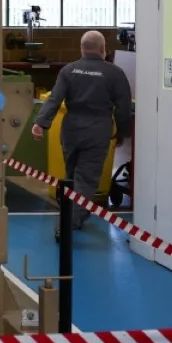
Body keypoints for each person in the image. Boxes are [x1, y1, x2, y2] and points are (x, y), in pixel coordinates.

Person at [32, 31, 132, 230]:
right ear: (103, 49)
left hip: (70, 130)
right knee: (85, 181)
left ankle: (73, 216)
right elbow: (123, 107)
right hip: (97, 130)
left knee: (72, 177)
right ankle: (67, 225)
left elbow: (54, 99)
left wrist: (40, 123)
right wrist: (123, 132)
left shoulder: (69, 70)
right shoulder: (115, 73)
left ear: (81, 48)